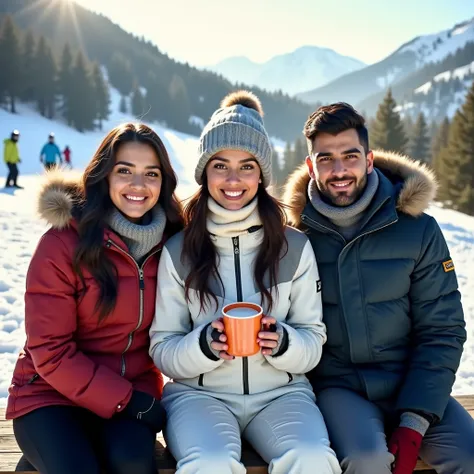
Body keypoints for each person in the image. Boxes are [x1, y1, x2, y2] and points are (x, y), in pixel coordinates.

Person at [149, 91, 341, 474]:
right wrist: (202, 345)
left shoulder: (294, 246)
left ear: (261, 173)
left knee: (313, 459)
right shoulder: (178, 250)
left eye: (247, 166)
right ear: (205, 173)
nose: (233, 179)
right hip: (198, 397)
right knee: (210, 463)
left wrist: (284, 342)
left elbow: (313, 340)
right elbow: (162, 348)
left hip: (283, 395)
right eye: (220, 165)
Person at [282, 102, 474, 474]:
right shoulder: (294, 236)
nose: (339, 170)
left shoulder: (417, 230)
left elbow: (443, 328)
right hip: (339, 387)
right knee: (366, 461)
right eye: (326, 159)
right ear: (310, 166)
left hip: (413, 379)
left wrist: (416, 420)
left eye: (350, 156)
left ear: (369, 160)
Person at [6, 123, 184, 474]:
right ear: (103, 177)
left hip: (132, 390)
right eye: (124, 171)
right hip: (49, 394)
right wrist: (126, 399)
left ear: (164, 182)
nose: (138, 185)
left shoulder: (174, 245)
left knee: (132, 462)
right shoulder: (62, 244)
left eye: (151, 173)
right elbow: (50, 352)